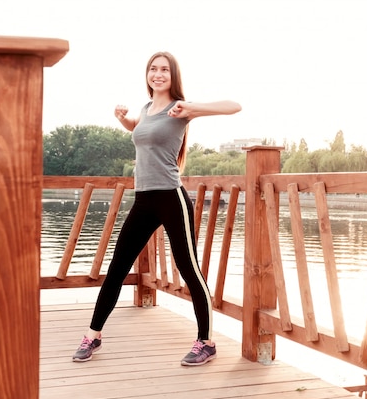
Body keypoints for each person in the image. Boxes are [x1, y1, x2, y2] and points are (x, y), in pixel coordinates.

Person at [72, 51, 241, 366]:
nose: (158, 74)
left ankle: (206, 342)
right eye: (154, 69)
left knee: (189, 269)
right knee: (117, 268)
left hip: (170, 198)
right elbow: (143, 133)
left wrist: (191, 107)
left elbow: (234, 106)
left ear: (172, 75)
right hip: (144, 199)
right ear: (147, 74)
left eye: (164, 69)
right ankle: (93, 335)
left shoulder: (181, 108)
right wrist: (124, 120)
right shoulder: (147, 109)